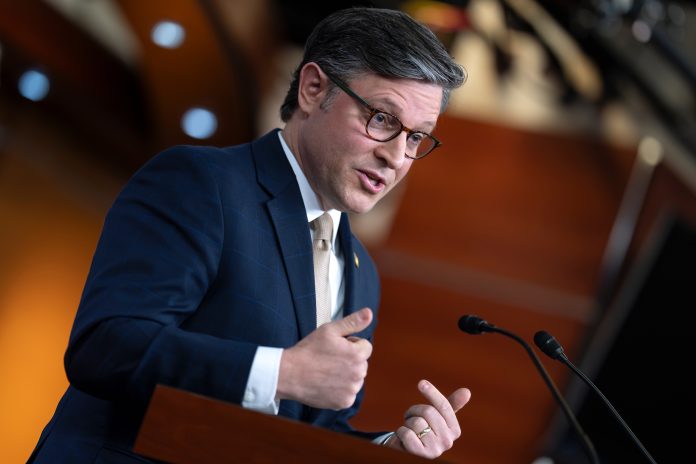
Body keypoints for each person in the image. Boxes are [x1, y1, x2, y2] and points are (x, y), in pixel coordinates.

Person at [29, 6, 471, 463]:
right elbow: (106, 346)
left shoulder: (362, 273)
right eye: (382, 118)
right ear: (313, 89)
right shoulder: (202, 183)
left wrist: (388, 449)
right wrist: (280, 373)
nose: (396, 157)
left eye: (416, 138)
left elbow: (307, 430)